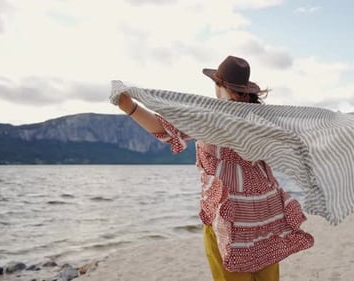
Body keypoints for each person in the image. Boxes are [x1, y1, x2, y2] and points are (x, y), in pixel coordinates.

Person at [116, 55, 313, 281]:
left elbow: (165, 129)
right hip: (265, 216)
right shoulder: (261, 119)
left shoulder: (210, 117)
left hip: (231, 217)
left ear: (219, 85)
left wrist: (129, 107)